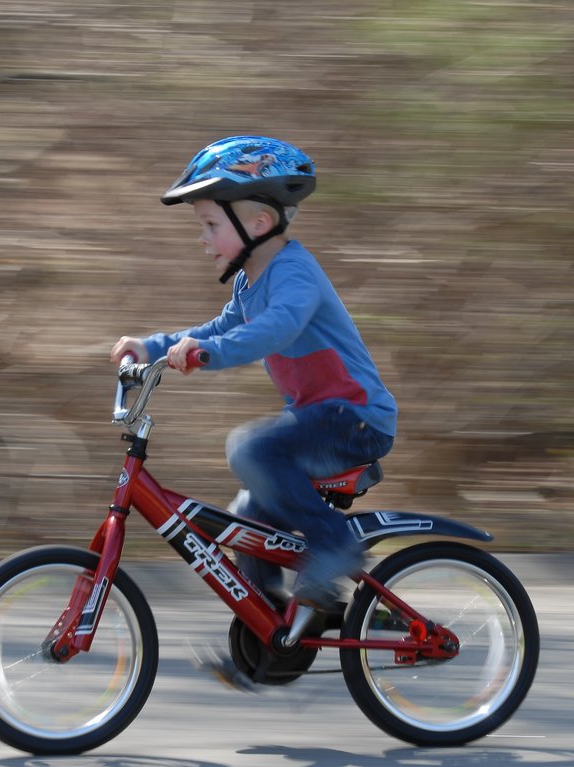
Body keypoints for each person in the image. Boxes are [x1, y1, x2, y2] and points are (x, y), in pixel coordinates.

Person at [110, 135, 397, 613]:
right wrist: (153, 345)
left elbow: (275, 329)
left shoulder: (294, 275)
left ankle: (332, 545)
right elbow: (220, 327)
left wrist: (208, 354)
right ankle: (270, 633)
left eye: (209, 224)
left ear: (259, 224)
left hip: (355, 420)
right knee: (248, 519)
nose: (202, 238)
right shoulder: (250, 281)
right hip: (322, 420)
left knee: (251, 448)